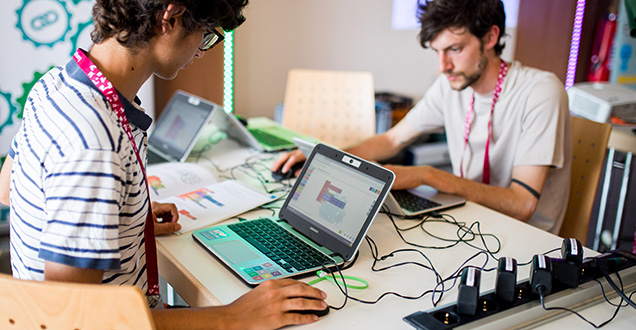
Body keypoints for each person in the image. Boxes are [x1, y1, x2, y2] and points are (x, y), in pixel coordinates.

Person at [7, 1, 327, 329]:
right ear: (170, 18)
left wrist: (117, 222)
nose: (202, 52)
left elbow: (10, 190)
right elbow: (71, 319)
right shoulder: (96, 143)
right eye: (205, 35)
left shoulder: (56, 85)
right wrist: (233, 317)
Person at [272, 0, 571, 234]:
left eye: (455, 49)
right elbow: (390, 140)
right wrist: (328, 157)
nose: (444, 66)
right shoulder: (450, 85)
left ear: (491, 36)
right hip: (470, 222)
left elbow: (522, 205)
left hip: (525, 243)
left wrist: (429, 176)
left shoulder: (540, 91)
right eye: (437, 51)